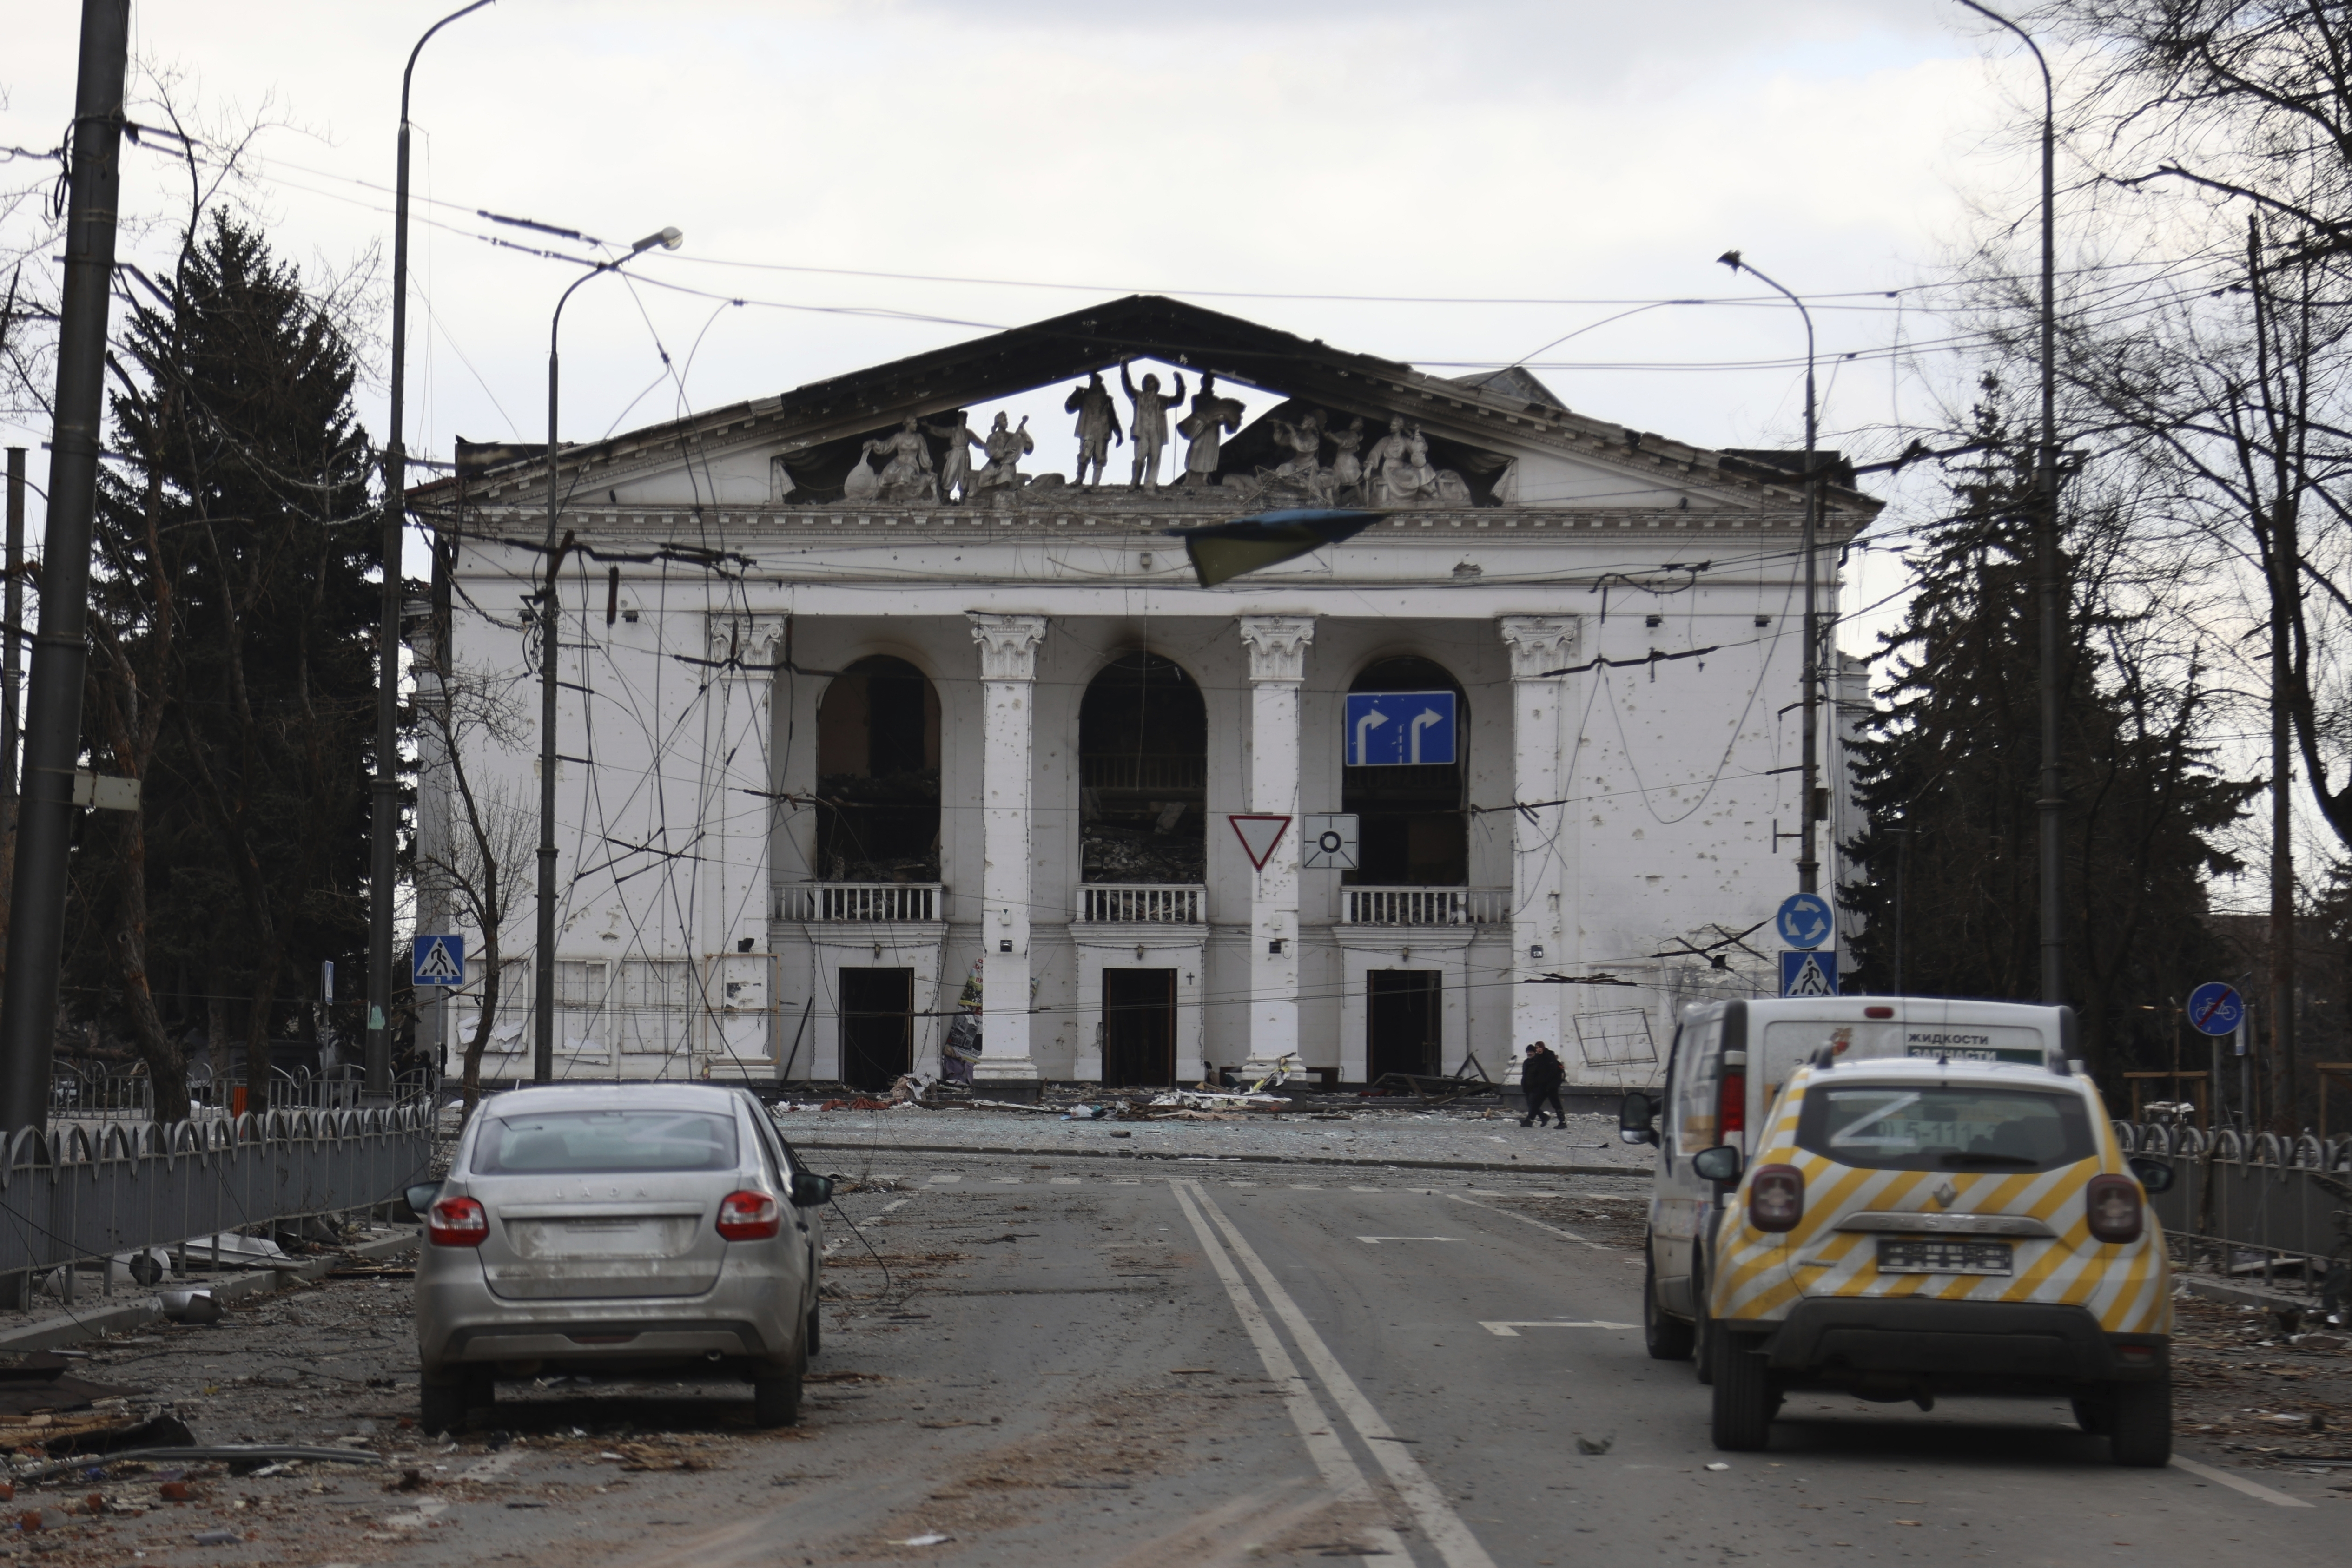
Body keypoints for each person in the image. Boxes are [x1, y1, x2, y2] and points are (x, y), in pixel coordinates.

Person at [1520, 1041, 1566, 1128]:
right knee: (1535, 1103)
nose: (1539, 1050)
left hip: (1551, 1086)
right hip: (1543, 1086)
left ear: (1543, 1048)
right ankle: (1530, 1121)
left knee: (1556, 1103)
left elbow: (1553, 1072)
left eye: (1540, 1048)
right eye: (1537, 1048)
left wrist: (1549, 1083)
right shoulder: (1538, 1058)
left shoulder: (1549, 1056)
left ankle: (1563, 1122)